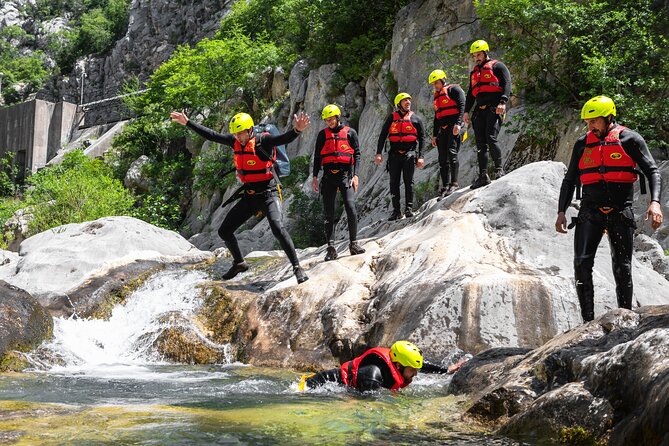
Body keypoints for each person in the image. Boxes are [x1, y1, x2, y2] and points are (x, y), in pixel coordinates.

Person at [555, 96, 663, 322]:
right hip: (589, 211)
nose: (590, 126)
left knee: (622, 267)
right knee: (582, 263)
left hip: (620, 212)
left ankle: (624, 317)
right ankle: (587, 321)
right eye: (587, 122)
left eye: (594, 121)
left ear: (608, 118)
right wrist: (561, 211)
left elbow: (653, 171)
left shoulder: (629, 139)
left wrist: (655, 202)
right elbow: (570, 179)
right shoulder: (583, 143)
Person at [170, 110, 311, 283]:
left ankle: (297, 267)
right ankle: (239, 263)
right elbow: (212, 135)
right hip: (250, 195)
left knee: (277, 228)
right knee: (224, 231)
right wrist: (188, 123)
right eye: (236, 133)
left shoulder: (263, 141)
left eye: (241, 133)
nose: (238, 137)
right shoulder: (234, 141)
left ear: (250, 130)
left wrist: (297, 130)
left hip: (268, 193)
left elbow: (282, 139)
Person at [299, 340, 466, 392]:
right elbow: (366, 405)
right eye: (413, 370)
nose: (416, 373)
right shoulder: (373, 375)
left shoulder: (401, 364)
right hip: (317, 386)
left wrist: (447, 370)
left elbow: (422, 366)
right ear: (399, 365)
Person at [312, 104, 366, 261]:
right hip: (328, 177)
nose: (329, 121)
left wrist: (355, 175)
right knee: (328, 213)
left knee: (350, 206)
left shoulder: (350, 133)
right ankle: (331, 248)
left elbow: (357, 154)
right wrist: (315, 177)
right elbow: (317, 157)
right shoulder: (322, 135)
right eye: (326, 119)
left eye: (331, 118)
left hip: (345, 176)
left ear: (337, 117)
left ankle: (353, 244)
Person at [463, 39, 512, 189]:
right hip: (480, 111)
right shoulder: (474, 73)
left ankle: (499, 170)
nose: (476, 58)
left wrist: (503, 102)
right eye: (474, 55)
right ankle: (483, 176)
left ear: (486, 53)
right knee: (480, 144)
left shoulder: (498, 66)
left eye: (479, 54)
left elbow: (507, 84)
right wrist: (466, 111)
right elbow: (471, 94)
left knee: (491, 138)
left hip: (494, 108)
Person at [375, 93, 426, 220]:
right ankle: (396, 211)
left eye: (409, 100)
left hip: (409, 154)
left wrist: (421, 157)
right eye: (405, 101)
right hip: (394, 156)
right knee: (394, 183)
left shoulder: (416, 119)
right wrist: (378, 153)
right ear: (399, 104)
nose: (408, 102)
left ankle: (408, 209)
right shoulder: (391, 118)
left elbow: (422, 139)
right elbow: (382, 136)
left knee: (409, 182)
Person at [428, 70, 466, 198]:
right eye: (433, 84)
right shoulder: (437, 96)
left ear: (443, 80)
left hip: (454, 126)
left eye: (437, 83)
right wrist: (434, 135)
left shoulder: (454, 90)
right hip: (443, 130)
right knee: (442, 158)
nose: (435, 86)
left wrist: (458, 124)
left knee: (452, 152)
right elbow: (436, 117)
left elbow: (462, 106)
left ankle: (454, 184)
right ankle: (445, 186)